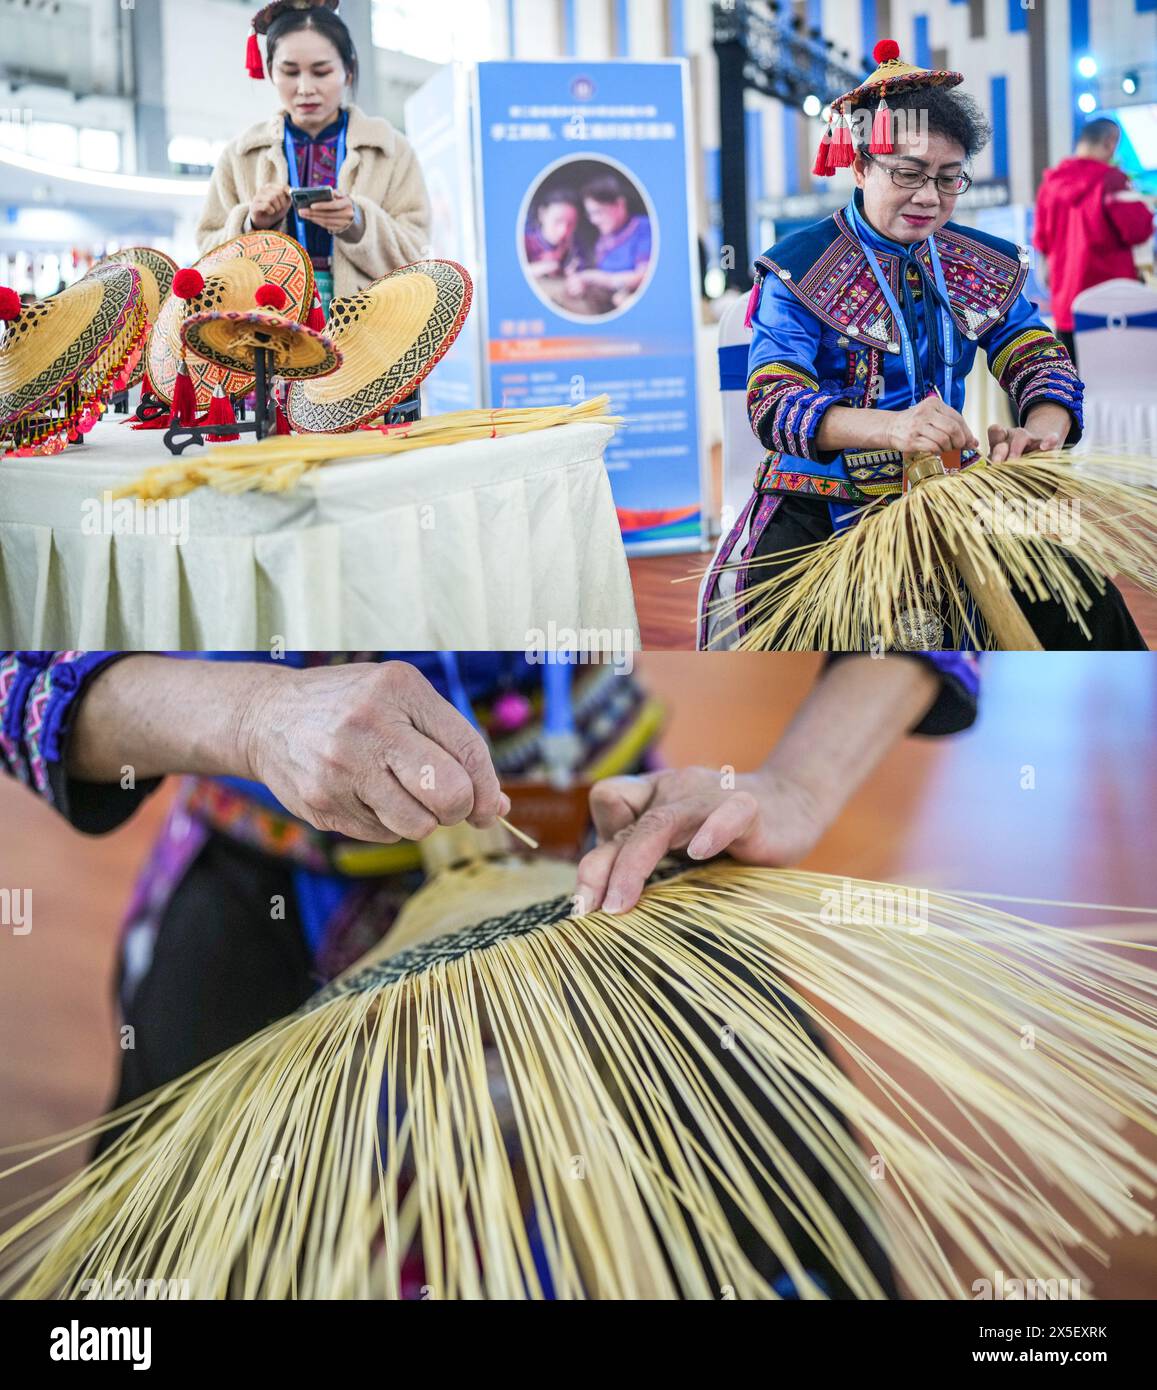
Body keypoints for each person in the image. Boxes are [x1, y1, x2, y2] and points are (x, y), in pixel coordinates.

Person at [1, 649, 975, 1119]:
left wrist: (796, 783)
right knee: (167, 1239)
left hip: (601, 849)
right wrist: (254, 714)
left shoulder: (601, 287)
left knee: (782, 1179)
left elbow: (922, 570)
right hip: (270, 860)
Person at [699, 41, 1146, 652]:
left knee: (1084, 602)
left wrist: (1039, 430)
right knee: (810, 656)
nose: (930, 197)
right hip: (818, 498)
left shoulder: (973, 259)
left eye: (947, 177)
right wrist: (890, 428)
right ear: (859, 167)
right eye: (907, 174)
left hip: (945, 488)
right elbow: (774, 403)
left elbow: (1037, 355)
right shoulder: (798, 269)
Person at [195, 0, 431, 318]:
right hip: (269, 331)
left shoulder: (390, 151)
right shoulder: (241, 155)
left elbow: (417, 254)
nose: (305, 88)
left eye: (321, 72)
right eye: (289, 72)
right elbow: (208, 258)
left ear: (348, 71)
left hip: (371, 329)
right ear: (269, 71)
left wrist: (358, 223)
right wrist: (252, 225)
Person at [1033, 116, 1155, 365]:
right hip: (1112, 309)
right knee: (1118, 388)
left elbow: (1041, 242)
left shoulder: (1051, 184)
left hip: (1067, 309)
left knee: (1075, 391)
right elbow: (1137, 230)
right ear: (1111, 142)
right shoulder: (1111, 180)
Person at [564, 174, 652, 311]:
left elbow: (643, 276)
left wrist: (596, 278)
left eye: (598, 212)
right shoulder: (604, 238)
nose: (594, 220)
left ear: (620, 204)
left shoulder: (643, 227)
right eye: (590, 214)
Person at [524, 188, 582, 281]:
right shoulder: (524, 241)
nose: (563, 230)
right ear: (542, 214)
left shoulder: (574, 246)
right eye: (557, 221)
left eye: (571, 223)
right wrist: (533, 270)